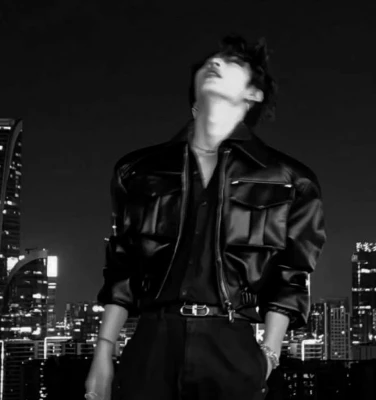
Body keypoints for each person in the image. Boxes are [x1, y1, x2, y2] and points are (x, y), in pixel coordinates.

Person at [85, 34, 327, 400]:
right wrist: (103, 352)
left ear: (253, 93)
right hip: (151, 344)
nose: (214, 63)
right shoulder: (137, 171)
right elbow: (123, 268)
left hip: (232, 344)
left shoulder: (291, 180)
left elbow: (291, 277)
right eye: (209, 62)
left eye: (232, 63)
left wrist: (268, 356)